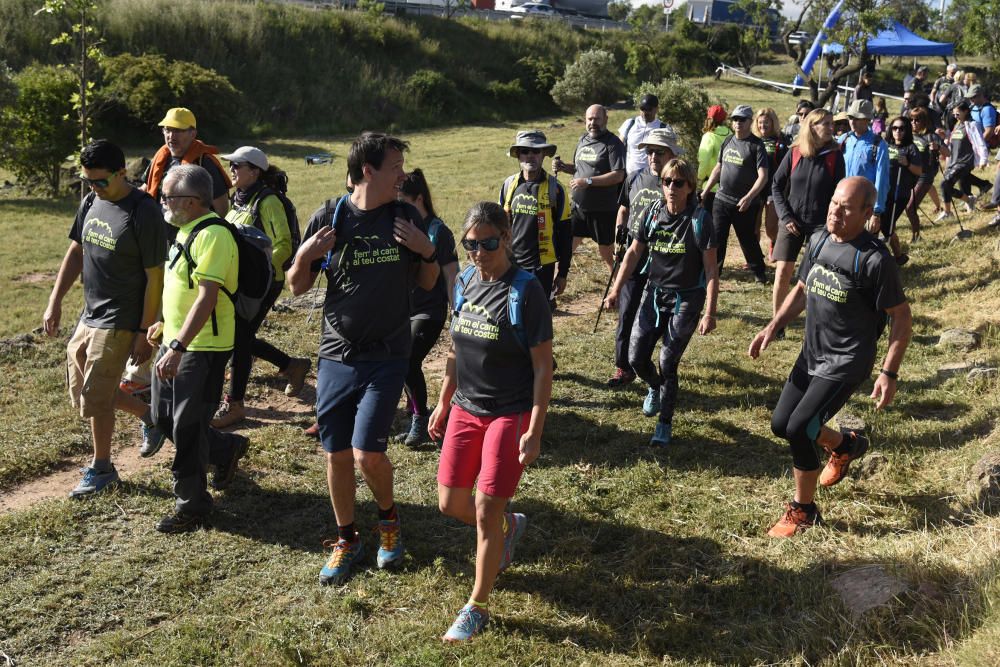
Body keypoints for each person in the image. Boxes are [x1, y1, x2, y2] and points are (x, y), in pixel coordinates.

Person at [288, 132, 439, 585]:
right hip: (336, 354)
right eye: (395, 166)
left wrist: (425, 249)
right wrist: (305, 255)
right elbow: (296, 284)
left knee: (367, 452)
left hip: (389, 353)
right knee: (335, 452)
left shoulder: (403, 215)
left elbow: (429, 283)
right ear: (368, 170)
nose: (403, 174)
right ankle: (347, 539)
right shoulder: (331, 216)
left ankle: (389, 522)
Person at [749, 177, 912, 537]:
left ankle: (803, 511)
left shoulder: (874, 258)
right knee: (781, 424)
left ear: (867, 213)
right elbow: (804, 288)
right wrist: (773, 326)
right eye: (834, 203)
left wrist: (889, 372)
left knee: (799, 429)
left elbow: (902, 317)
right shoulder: (820, 237)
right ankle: (845, 445)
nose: (836, 211)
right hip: (812, 353)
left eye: (847, 207)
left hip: (847, 360)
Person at [429, 201, 553, 643]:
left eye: (488, 243)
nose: (479, 253)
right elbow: (455, 348)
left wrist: (534, 429)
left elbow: (543, 367)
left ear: (506, 237)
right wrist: (444, 402)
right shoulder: (462, 281)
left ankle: (477, 605)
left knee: (484, 508)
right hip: (466, 406)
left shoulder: (526, 290)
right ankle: (509, 527)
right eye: (471, 244)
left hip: (510, 411)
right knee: (449, 503)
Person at [43, 139, 168, 497]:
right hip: (90, 313)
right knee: (88, 390)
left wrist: (145, 330)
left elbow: (154, 276)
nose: (94, 188)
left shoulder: (143, 211)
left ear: (122, 173)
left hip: (121, 317)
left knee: (96, 393)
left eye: (101, 181)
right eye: (89, 181)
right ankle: (150, 416)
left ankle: (103, 468)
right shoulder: (91, 201)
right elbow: (76, 250)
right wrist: (55, 300)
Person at [147, 164, 249, 533]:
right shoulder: (185, 230)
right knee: (162, 418)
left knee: (187, 426)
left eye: (167, 197)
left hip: (201, 347)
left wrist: (178, 344)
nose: (162, 202)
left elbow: (207, 298)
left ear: (190, 201)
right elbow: (182, 286)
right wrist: (164, 324)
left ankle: (192, 505)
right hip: (176, 341)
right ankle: (224, 449)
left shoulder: (214, 236)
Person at [603, 158, 719, 446]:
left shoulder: (700, 220)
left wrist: (710, 312)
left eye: (679, 183)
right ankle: (654, 387)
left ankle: (664, 424)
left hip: (686, 299)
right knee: (635, 358)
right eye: (667, 182)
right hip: (653, 295)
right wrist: (616, 289)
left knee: (667, 361)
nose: (671, 188)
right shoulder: (653, 213)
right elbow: (632, 252)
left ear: (690, 187)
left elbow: (712, 271)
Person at [207, 146, 311, 429]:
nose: (232, 170)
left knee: (239, 338)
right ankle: (292, 366)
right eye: (232, 165)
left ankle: (235, 404)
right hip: (239, 282)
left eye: (237, 166)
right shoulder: (238, 199)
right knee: (240, 335)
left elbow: (284, 245)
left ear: (255, 171)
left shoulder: (268, 201)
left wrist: (261, 271)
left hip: (264, 283)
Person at [607, 128, 683, 387]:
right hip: (634, 255)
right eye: (649, 151)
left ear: (672, 154)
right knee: (626, 312)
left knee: (657, 318)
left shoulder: (677, 184)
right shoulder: (634, 178)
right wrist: (619, 239)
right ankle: (623, 367)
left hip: (665, 263)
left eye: (659, 152)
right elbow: (624, 209)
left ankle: (656, 364)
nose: (653, 156)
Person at [394, 168, 459, 447]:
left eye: (403, 202)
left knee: (407, 360)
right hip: (403, 310)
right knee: (402, 362)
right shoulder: (400, 227)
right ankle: (413, 415)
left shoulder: (438, 232)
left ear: (419, 199)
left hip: (429, 312)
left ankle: (421, 421)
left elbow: (451, 276)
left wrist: (458, 312)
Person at [770, 109, 845, 337]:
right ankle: (777, 324)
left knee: (814, 277)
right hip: (791, 221)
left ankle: (815, 324)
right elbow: (776, 185)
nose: (832, 128)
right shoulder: (794, 153)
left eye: (832, 124)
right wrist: (785, 216)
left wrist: (831, 224)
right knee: (783, 271)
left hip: (820, 226)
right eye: (827, 124)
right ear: (813, 126)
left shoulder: (835, 155)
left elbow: (839, 192)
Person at [498, 130, 573, 308]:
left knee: (538, 318)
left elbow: (565, 235)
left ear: (544, 155)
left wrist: (562, 273)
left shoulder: (556, 189)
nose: (530, 156)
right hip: (511, 264)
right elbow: (499, 228)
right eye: (525, 151)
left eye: (536, 151)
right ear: (518, 156)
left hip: (542, 268)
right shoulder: (509, 185)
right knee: (510, 313)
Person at [700, 104, 769, 283]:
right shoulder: (728, 141)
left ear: (750, 122)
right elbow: (719, 167)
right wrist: (706, 191)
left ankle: (759, 272)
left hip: (743, 204)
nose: (737, 123)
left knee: (747, 240)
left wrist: (749, 197)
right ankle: (715, 273)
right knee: (717, 238)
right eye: (735, 119)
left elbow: (763, 176)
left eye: (742, 120)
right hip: (721, 200)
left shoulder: (756, 145)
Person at [553, 104, 626, 273]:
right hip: (579, 208)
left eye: (597, 119)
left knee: (606, 253)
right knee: (565, 249)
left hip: (603, 210)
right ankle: (553, 290)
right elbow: (579, 169)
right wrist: (564, 167)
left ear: (605, 120)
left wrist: (588, 181)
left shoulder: (613, 143)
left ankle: (618, 291)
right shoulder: (582, 140)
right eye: (590, 119)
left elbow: (618, 175)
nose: (593, 122)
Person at [144, 107, 231, 223]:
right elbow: (145, 188)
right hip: (159, 232)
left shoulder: (204, 162)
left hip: (191, 233)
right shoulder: (160, 157)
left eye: (178, 130)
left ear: (193, 133)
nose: (171, 136)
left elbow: (222, 208)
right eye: (168, 130)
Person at [839, 99, 889, 235]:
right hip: (840, 201)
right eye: (850, 118)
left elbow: (881, 179)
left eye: (857, 118)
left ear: (867, 119)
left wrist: (876, 212)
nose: (852, 122)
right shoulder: (843, 140)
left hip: (863, 204)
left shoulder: (878, 144)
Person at [935, 100, 991, 222]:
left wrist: (983, 159)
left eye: (957, 113)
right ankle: (968, 200)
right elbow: (952, 144)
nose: (955, 116)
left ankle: (948, 212)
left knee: (944, 184)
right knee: (947, 186)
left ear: (966, 111)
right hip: (954, 161)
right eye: (954, 114)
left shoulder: (972, 125)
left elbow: (980, 142)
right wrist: (944, 137)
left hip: (965, 161)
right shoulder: (956, 125)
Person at [883, 117, 922, 264]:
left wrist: (907, 164)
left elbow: (918, 171)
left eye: (901, 128)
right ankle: (899, 257)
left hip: (899, 193)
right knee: (886, 225)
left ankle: (896, 257)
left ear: (907, 130)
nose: (897, 131)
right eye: (894, 128)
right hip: (883, 191)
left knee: (886, 225)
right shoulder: (885, 144)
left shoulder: (911, 148)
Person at [752, 107, 788, 259]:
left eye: (766, 122)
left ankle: (774, 242)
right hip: (755, 188)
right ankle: (754, 256)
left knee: (771, 227)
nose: (763, 126)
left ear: (773, 123)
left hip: (772, 189)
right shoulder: (752, 140)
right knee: (753, 226)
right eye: (760, 123)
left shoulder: (781, 141)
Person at [908, 107, 945, 228]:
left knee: (910, 207)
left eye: (917, 120)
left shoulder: (931, 136)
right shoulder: (908, 135)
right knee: (907, 205)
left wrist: (938, 147)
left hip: (925, 175)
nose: (913, 122)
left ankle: (916, 234)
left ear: (924, 121)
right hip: (911, 174)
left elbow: (948, 153)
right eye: (911, 119)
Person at [618, 93, 665, 176]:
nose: (645, 112)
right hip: (629, 177)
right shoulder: (629, 124)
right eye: (643, 108)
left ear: (657, 109)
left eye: (649, 109)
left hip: (652, 179)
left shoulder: (663, 128)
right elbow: (618, 148)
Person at [698, 105, 732, 212]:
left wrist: (699, 177)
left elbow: (704, 160)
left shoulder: (709, 136)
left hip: (710, 188)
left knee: (707, 224)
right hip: (728, 188)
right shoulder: (731, 135)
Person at [967, 84, 998, 149]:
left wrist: (977, 145)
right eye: (969, 97)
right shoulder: (973, 107)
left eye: (973, 97)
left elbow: (989, 132)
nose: (971, 99)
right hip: (972, 144)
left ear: (981, 95)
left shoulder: (987, 109)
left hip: (981, 147)